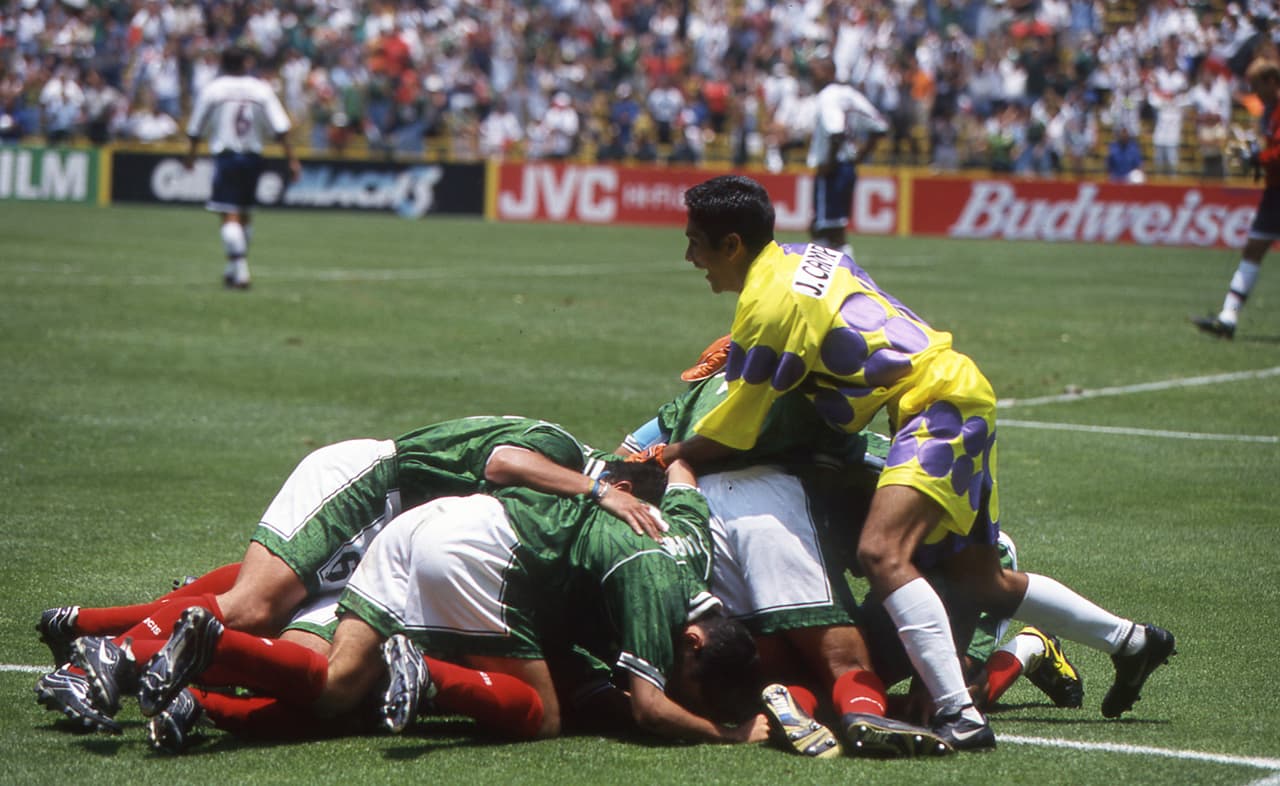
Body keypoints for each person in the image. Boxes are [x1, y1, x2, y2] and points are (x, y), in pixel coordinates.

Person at [649, 174, 1174, 751]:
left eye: (696, 241)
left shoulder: (768, 302)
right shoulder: (807, 256)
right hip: (951, 392)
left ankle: (962, 719)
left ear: (732, 245)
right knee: (982, 579)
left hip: (934, 404)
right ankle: (1132, 641)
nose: (689, 256)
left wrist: (675, 455)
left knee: (881, 552)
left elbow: (740, 425)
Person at [39, 415, 665, 726]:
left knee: (327, 685)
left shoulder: (586, 538)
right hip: (371, 491)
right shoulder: (564, 454)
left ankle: (163, 683)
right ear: (623, 482)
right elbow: (501, 461)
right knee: (256, 603)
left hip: (396, 552)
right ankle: (102, 655)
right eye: (635, 507)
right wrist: (595, 490)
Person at [117, 459, 769, 751]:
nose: (680, 687)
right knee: (543, 718)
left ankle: (207, 661)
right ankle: (429, 676)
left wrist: (685, 448)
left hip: (427, 525)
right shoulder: (658, 585)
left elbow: (682, 475)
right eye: (692, 681)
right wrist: (727, 734)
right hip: (482, 555)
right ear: (696, 641)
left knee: (339, 691)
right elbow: (652, 710)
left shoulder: (685, 539)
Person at [183, 46, 301, 290]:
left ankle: (241, 270)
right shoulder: (261, 89)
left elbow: (195, 129)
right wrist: (292, 159)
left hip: (227, 156)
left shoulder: (213, 90)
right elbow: (281, 128)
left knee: (229, 214)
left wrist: (191, 155)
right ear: (247, 63)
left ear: (222, 63)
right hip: (253, 157)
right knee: (245, 215)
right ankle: (232, 268)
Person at [1194, 57, 1280, 339]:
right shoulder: (1269, 110)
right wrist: (1258, 159)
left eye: (1258, 86)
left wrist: (1259, 157)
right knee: (1254, 248)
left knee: (1255, 248)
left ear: (1271, 82)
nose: (1255, 93)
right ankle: (1228, 316)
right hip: (1274, 192)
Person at [807, 57, 888, 259]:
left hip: (833, 168)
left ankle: (846, 275)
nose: (811, 78)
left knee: (830, 229)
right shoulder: (851, 95)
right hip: (847, 167)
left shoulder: (828, 96)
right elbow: (880, 126)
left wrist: (831, 161)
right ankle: (824, 279)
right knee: (824, 227)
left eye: (815, 72)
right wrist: (860, 155)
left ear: (828, 73)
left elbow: (835, 131)